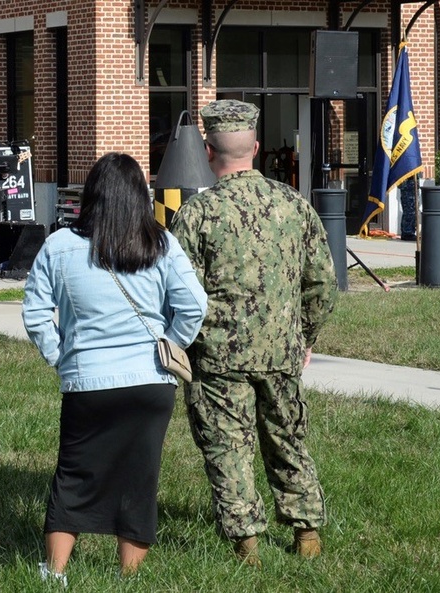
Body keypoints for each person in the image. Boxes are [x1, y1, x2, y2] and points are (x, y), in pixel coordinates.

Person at [22, 152, 207, 582]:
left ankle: (55, 571)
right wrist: (171, 345)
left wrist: (61, 356)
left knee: (74, 475)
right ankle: (129, 578)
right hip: (150, 382)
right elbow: (194, 305)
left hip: (86, 380)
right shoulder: (160, 242)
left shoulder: (60, 245)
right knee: (139, 480)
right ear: (140, 196)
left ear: (91, 196)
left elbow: (34, 314)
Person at [168, 100, 337, 565]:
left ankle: (247, 547)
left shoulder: (197, 214)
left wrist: (181, 343)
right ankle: (306, 534)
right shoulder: (293, 205)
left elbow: (179, 293)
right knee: (289, 437)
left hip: (218, 359)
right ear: (257, 148)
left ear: (207, 151)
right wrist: (305, 337)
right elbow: (322, 283)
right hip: (281, 351)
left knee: (228, 448)